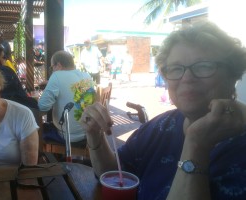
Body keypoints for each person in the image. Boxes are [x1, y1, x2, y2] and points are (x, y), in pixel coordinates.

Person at [79, 21, 246, 200]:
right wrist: (95, 135)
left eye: (204, 66)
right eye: (175, 68)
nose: (187, 78)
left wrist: (196, 145)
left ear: (233, 74)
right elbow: (115, 174)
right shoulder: (161, 126)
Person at [38, 50, 92, 144]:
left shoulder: (57, 76)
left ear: (58, 65)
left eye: (52, 67)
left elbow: (42, 108)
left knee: (38, 131)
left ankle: (52, 158)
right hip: (88, 134)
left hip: (68, 136)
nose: (52, 70)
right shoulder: (86, 75)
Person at [0, 44, 38, 109]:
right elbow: (19, 94)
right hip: (14, 106)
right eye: (3, 57)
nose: (5, 59)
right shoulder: (6, 71)